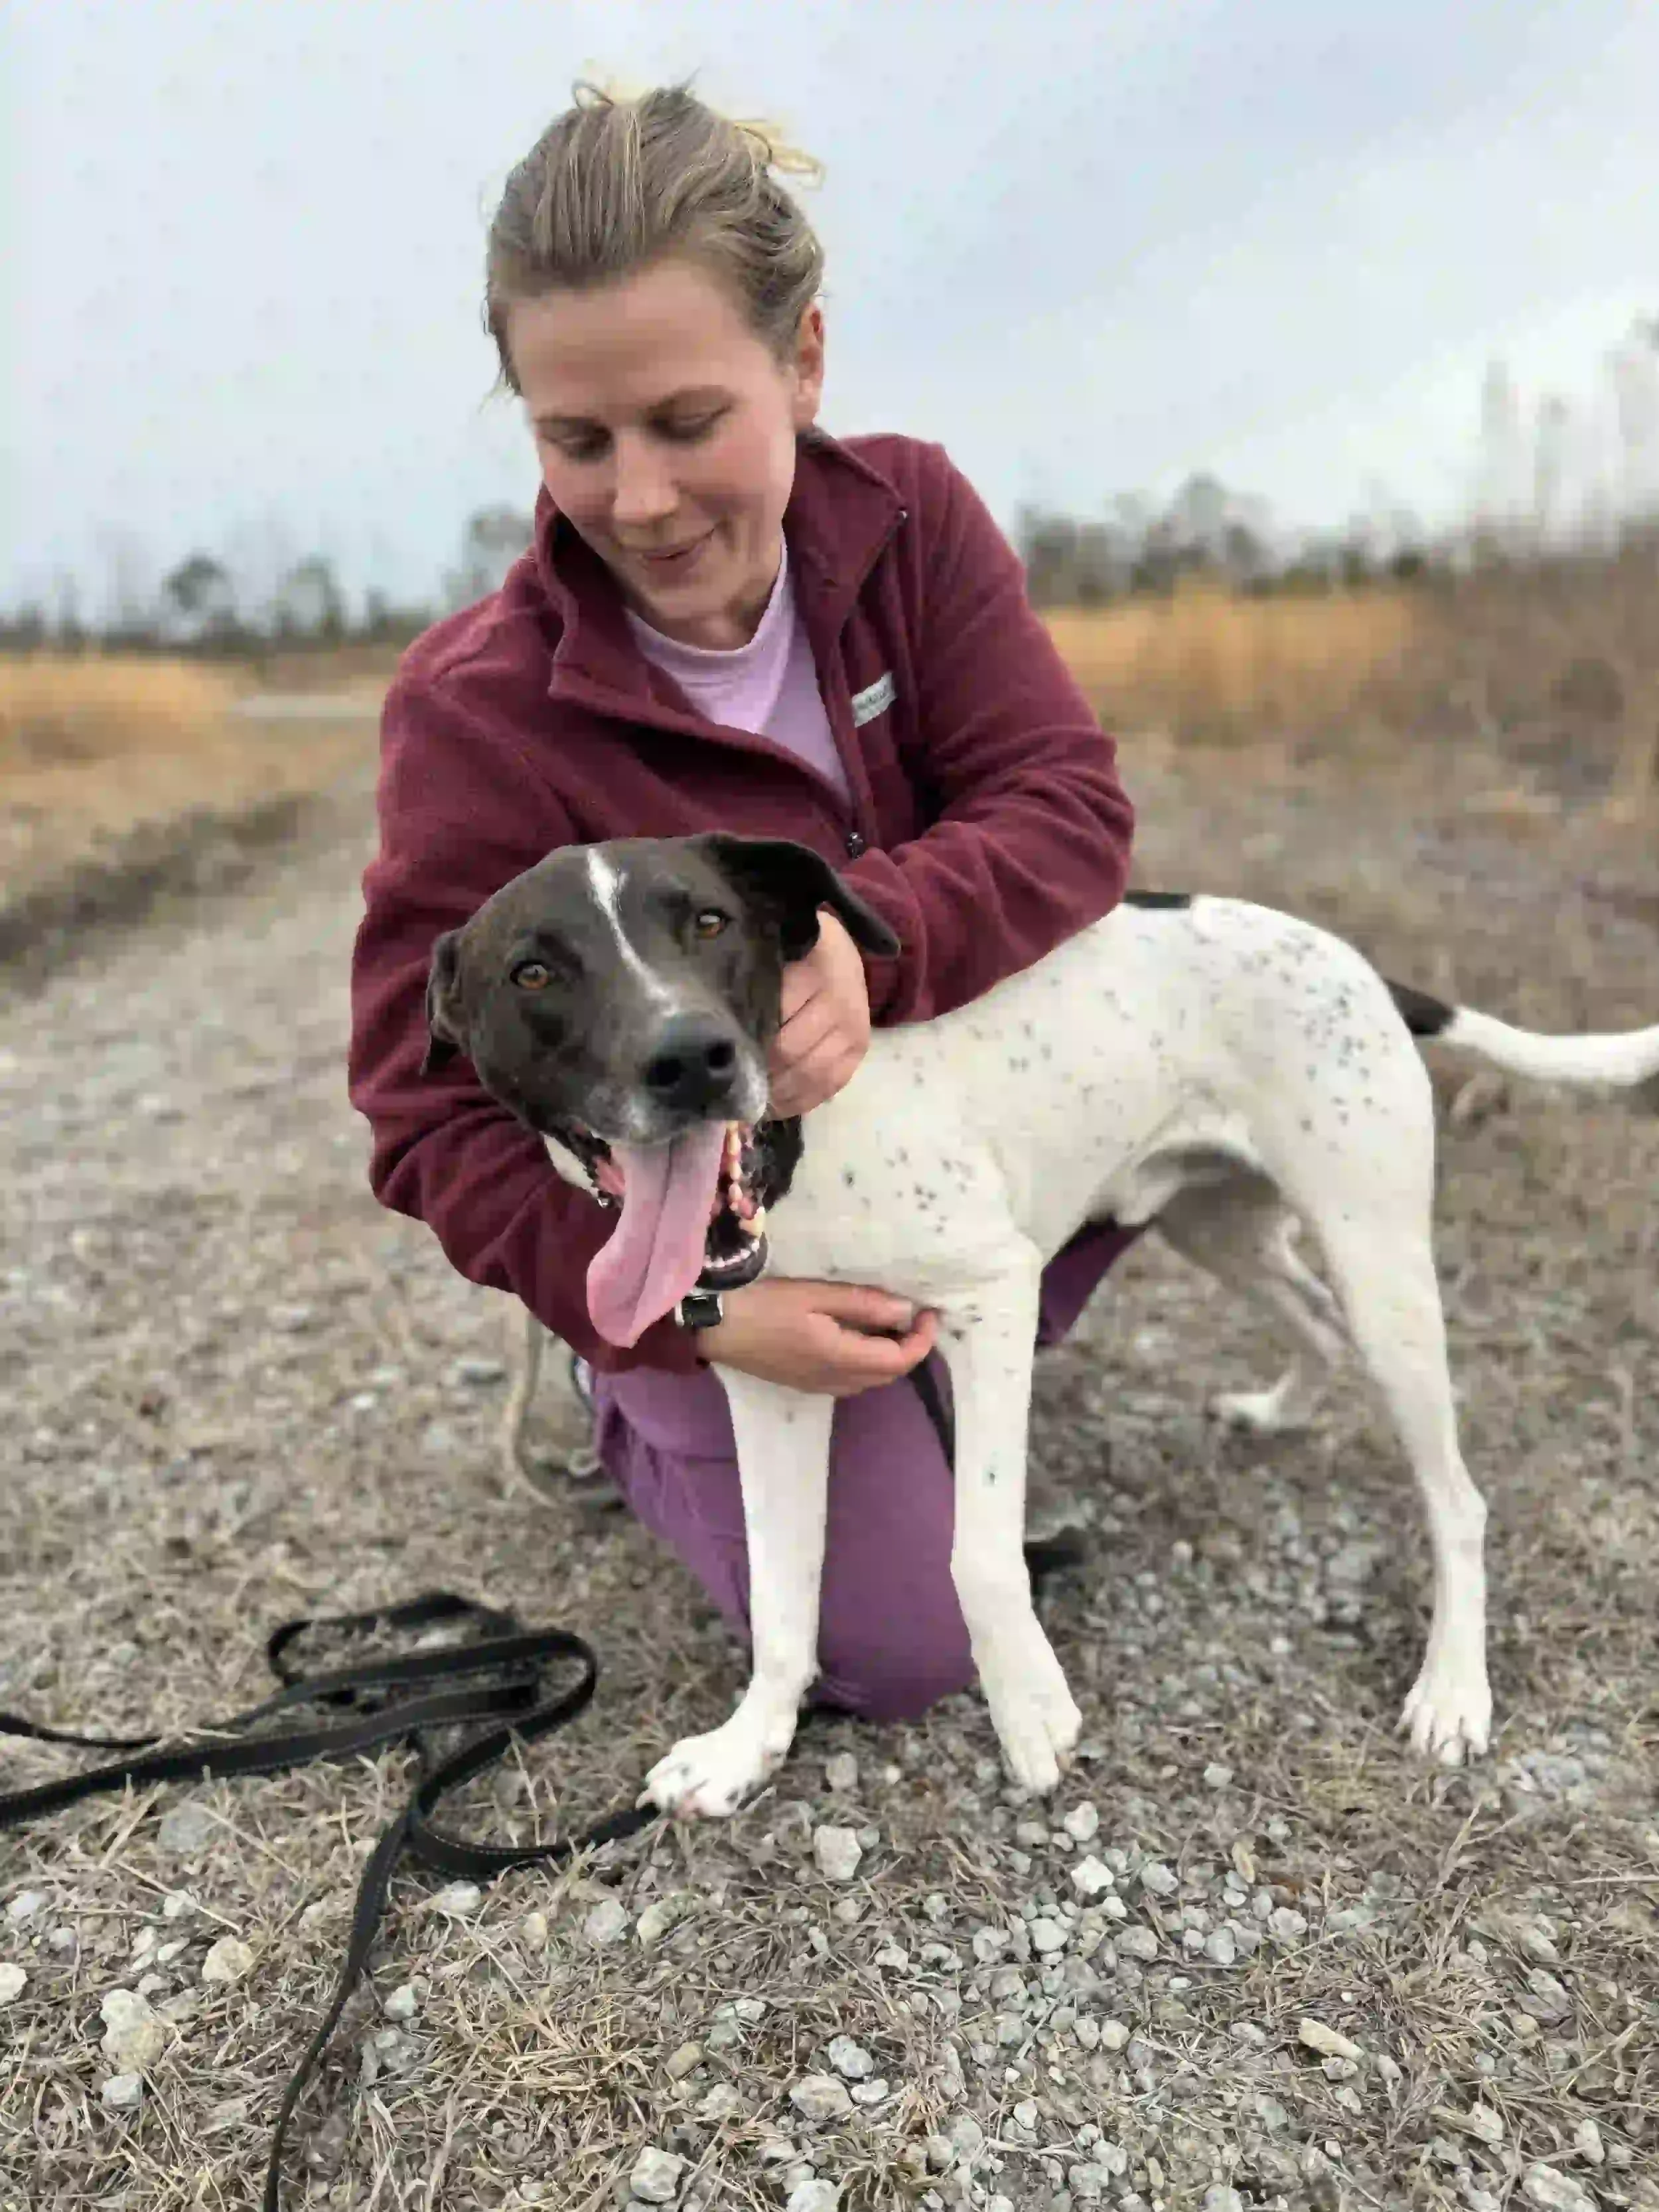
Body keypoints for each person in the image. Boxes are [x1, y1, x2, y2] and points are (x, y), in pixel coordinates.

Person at [348, 82, 1138, 1727]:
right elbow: (420, 1110)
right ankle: (627, 1385)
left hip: (915, 1145)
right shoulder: (475, 709)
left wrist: (876, 924)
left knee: (1114, 1122)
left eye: (687, 420)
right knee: (904, 1653)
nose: (637, 497)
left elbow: (1066, 807)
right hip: (684, 1214)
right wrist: (689, 1312)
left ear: (804, 363)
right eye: (577, 440)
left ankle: (913, 1356)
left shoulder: (909, 523)